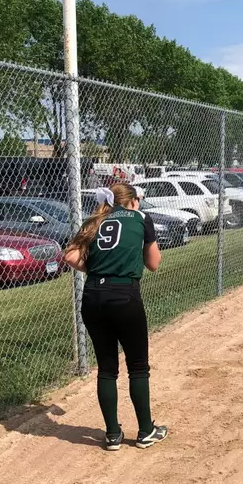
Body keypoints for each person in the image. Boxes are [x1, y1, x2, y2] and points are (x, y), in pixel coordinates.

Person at [62, 183, 167, 451]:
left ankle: (112, 435)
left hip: (93, 295)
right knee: (138, 366)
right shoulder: (142, 218)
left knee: (107, 368)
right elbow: (153, 264)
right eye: (138, 200)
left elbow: (71, 256)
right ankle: (145, 431)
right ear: (131, 201)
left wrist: (97, 269)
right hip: (124, 296)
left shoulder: (96, 220)